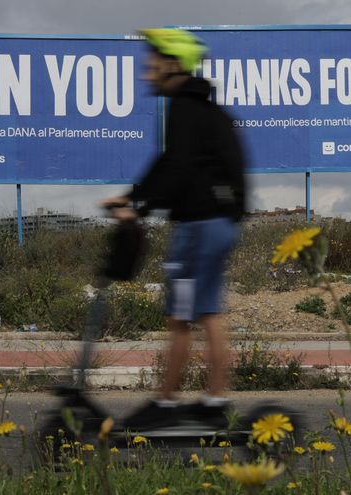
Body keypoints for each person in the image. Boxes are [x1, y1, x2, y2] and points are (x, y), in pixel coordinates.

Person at [101, 28, 246, 430]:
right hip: (216, 223)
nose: (147, 75)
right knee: (206, 311)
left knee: (181, 316)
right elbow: (171, 163)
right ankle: (214, 400)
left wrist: (138, 206)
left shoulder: (184, 108)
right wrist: (134, 198)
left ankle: (166, 404)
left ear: (172, 64)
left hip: (199, 226)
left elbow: (177, 168)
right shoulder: (206, 110)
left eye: (151, 67)